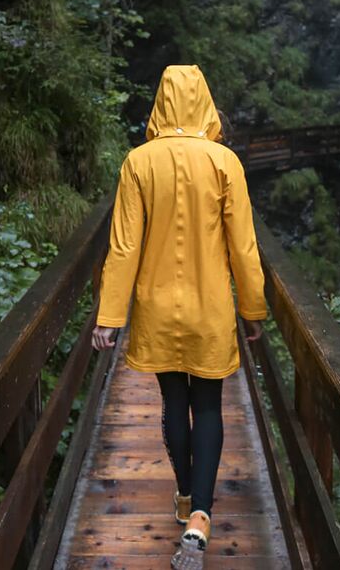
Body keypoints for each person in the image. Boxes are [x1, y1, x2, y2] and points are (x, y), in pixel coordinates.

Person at [91, 64, 267, 569]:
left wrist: (109, 316)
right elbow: (243, 245)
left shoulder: (138, 162)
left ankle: (186, 495)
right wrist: (252, 308)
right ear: (205, 102)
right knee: (208, 405)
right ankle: (201, 518)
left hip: (157, 309)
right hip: (210, 309)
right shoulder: (225, 162)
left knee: (174, 401)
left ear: (162, 102)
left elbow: (124, 246)